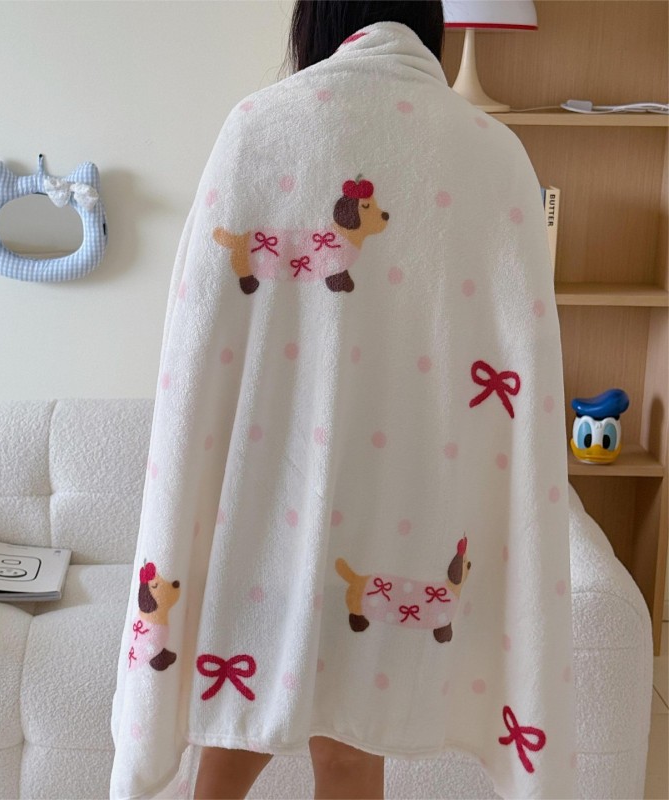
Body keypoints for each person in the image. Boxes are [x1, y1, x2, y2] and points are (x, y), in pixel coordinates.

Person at [110, 2, 577, 799]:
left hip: (264, 507)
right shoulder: (493, 153)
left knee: (232, 733)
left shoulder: (259, 127)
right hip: (412, 512)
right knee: (353, 749)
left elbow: (197, 344)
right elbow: (524, 355)